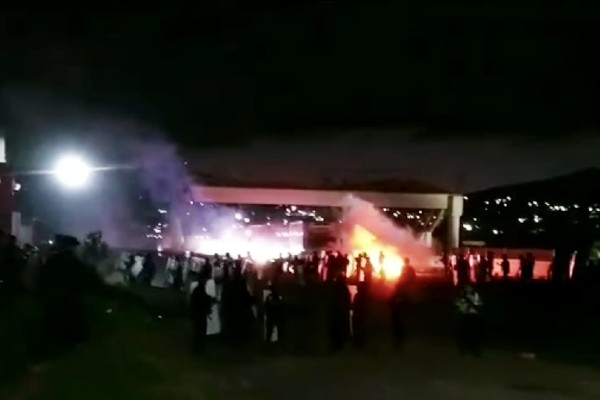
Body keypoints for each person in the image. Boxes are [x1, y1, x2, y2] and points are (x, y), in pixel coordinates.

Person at [455, 284, 483, 356]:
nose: (468, 289)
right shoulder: (461, 296)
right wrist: (463, 304)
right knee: (464, 333)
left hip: (473, 316)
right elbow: (457, 304)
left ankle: (475, 350)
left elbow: (479, 304)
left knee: (474, 334)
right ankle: (463, 350)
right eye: (467, 287)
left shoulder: (476, 295)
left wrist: (474, 306)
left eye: (469, 287)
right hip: (464, 316)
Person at [190, 277, 215, 353]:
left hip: (196, 313)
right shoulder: (201, 292)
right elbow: (206, 300)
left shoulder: (196, 291)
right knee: (201, 331)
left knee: (198, 331)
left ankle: (197, 348)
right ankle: (199, 349)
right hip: (201, 314)